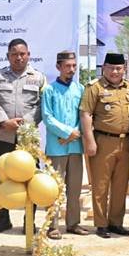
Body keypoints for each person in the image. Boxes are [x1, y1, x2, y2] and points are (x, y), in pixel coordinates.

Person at [0, 38, 46, 234]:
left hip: (27, 138)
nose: (19, 57)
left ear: (28, 55)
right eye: (14, 54)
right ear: (8, 56)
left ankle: (30, 220)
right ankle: (3, 219)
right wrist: (4, 121)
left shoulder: (38, 77)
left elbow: (42, 105)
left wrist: (23, 124)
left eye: (22, 54)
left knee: (31, 178)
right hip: (3, 136)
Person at [80, 53, 129, 238]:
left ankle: (116, 223)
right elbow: (86, 115)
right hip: (102, 141)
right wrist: (89, 141)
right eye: (111, 68)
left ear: (124, 69)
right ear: (104, 67)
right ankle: (101, 224)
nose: (115, 72)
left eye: (119, 68)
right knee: (101, 185)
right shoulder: (94, 88)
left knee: (120, 186)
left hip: (126, 141)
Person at [41, 51, 87, 238]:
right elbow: (47, 117)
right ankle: (52, 226)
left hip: (75, 147)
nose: (71, 69)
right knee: (54, 189)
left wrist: (73, 134)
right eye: (67, 66)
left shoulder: (81, 89)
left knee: (75, 189)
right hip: (56, 147)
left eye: (74, 66)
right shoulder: (49, 90)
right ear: (58, 67)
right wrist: (68, 133)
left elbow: (84, 115)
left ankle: (73, 223)